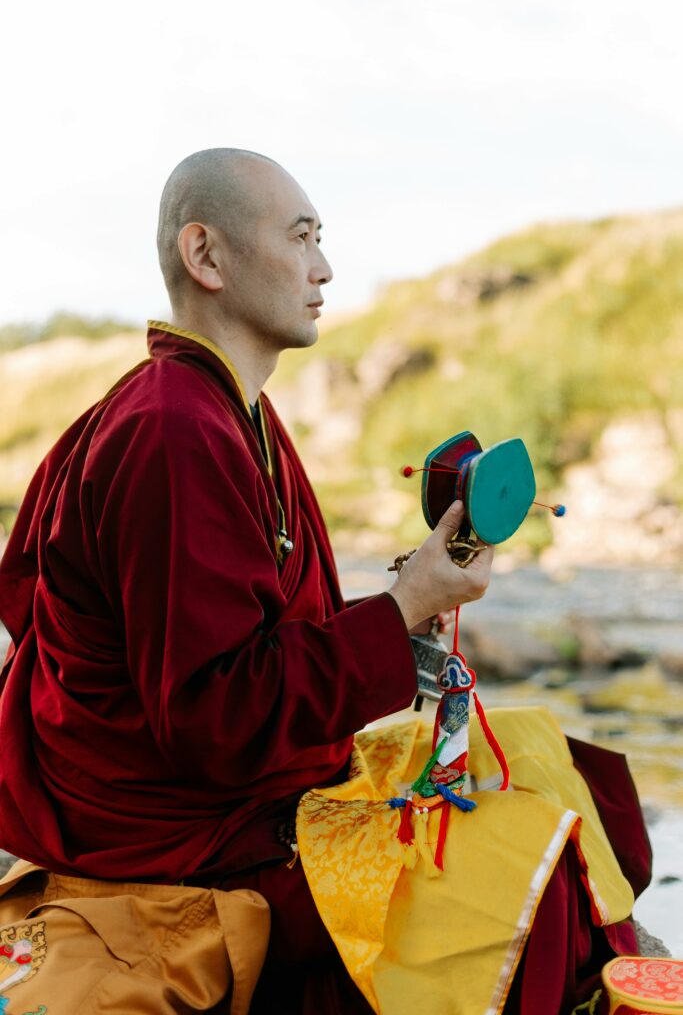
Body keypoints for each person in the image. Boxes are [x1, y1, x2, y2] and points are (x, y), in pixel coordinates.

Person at [0, 149, 650, 1014]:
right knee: (525, 876)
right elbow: (212, 718)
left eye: (322, 239)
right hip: (186, 834)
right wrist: (403, 606)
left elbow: (253, 638)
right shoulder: (172, 431)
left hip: (235, 788)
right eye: (301, 237)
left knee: (553, 766)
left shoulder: (234, 412)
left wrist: (404, 620)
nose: (325, 267)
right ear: (207, 256)